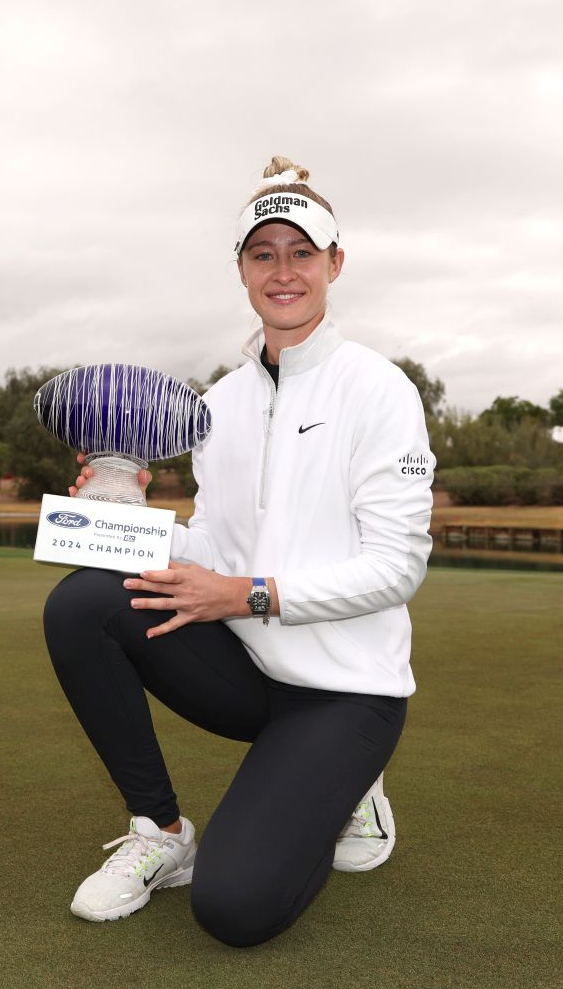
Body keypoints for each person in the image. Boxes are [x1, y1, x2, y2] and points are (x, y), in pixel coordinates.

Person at [42, 156, 435, 947]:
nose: (283, 270)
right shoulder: (217, 405)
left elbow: (399, 568)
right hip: (249, 674)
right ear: (242, 270)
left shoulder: (378, 389)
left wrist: (248, 594)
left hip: (345, 694)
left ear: (335, 263)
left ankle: (354, 784)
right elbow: (212, 548)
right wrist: (120, 513)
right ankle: (160, 831)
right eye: (264, 254)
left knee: (235, 910)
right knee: (84, 603)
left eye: (301, 251)